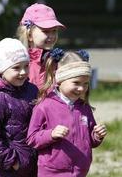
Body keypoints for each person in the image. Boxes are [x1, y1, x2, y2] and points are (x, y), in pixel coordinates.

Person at [27, 48, 107, 177]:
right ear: (59, 80)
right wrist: (51, 134)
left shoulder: (84, 108)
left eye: (86, 84)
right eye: (76, 83)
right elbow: (32, 139)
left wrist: (97, 136)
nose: (81, 88)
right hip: (52, 172)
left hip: (80, 171)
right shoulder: (44, 105)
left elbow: (90, 142)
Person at [0, 38, 38, 177]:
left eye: (26, 66)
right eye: (16, 67)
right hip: (7, 170)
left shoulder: (32, 90)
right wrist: (13, 162)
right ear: (1, 69)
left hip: (33, 163)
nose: (23, 72)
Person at [16, 3, 65, 89]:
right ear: (29, 35)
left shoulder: (56, 60)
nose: (52, 36)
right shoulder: (20, 61)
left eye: (54, 31)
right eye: (46, 31)